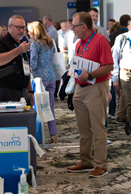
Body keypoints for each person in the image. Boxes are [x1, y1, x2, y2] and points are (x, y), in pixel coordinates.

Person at [67, 12, 113, 177]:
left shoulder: (101, 41)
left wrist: (91, 75)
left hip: (96, 86)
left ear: (84, 27)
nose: (72, 29)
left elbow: (108, 66)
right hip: (80, 87)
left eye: (74, 25)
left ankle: (101, 165)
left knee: (98, 127)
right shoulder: (79, 43)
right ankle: (86, 161)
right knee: (83, 128)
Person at [0, 15, 34, 106]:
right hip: (7, 92)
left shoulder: (23, 44)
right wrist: (18, 50)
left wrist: (30, 91)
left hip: (23, 91)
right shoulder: (1, 43)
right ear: (9, 27)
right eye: (18, 27)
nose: (22, 30)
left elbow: (26, 69)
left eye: (23, 27)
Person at [27, 21, 57, 143]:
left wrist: (27, 67)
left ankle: (39, 136)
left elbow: (33, 63)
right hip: (51, 77)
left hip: (40, 79)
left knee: (39, 108)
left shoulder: (35, 44)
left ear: (34, 31)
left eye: (29, 30)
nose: (27, 33)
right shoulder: (50, 43)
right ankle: (53, 134)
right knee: (50, 107)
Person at [112, 17, 131, 135]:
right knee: (129, 100)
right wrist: (115, 78)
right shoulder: (122, 38)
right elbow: (115, 58)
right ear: (128, 26)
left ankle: (129, 121)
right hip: (126, 72)